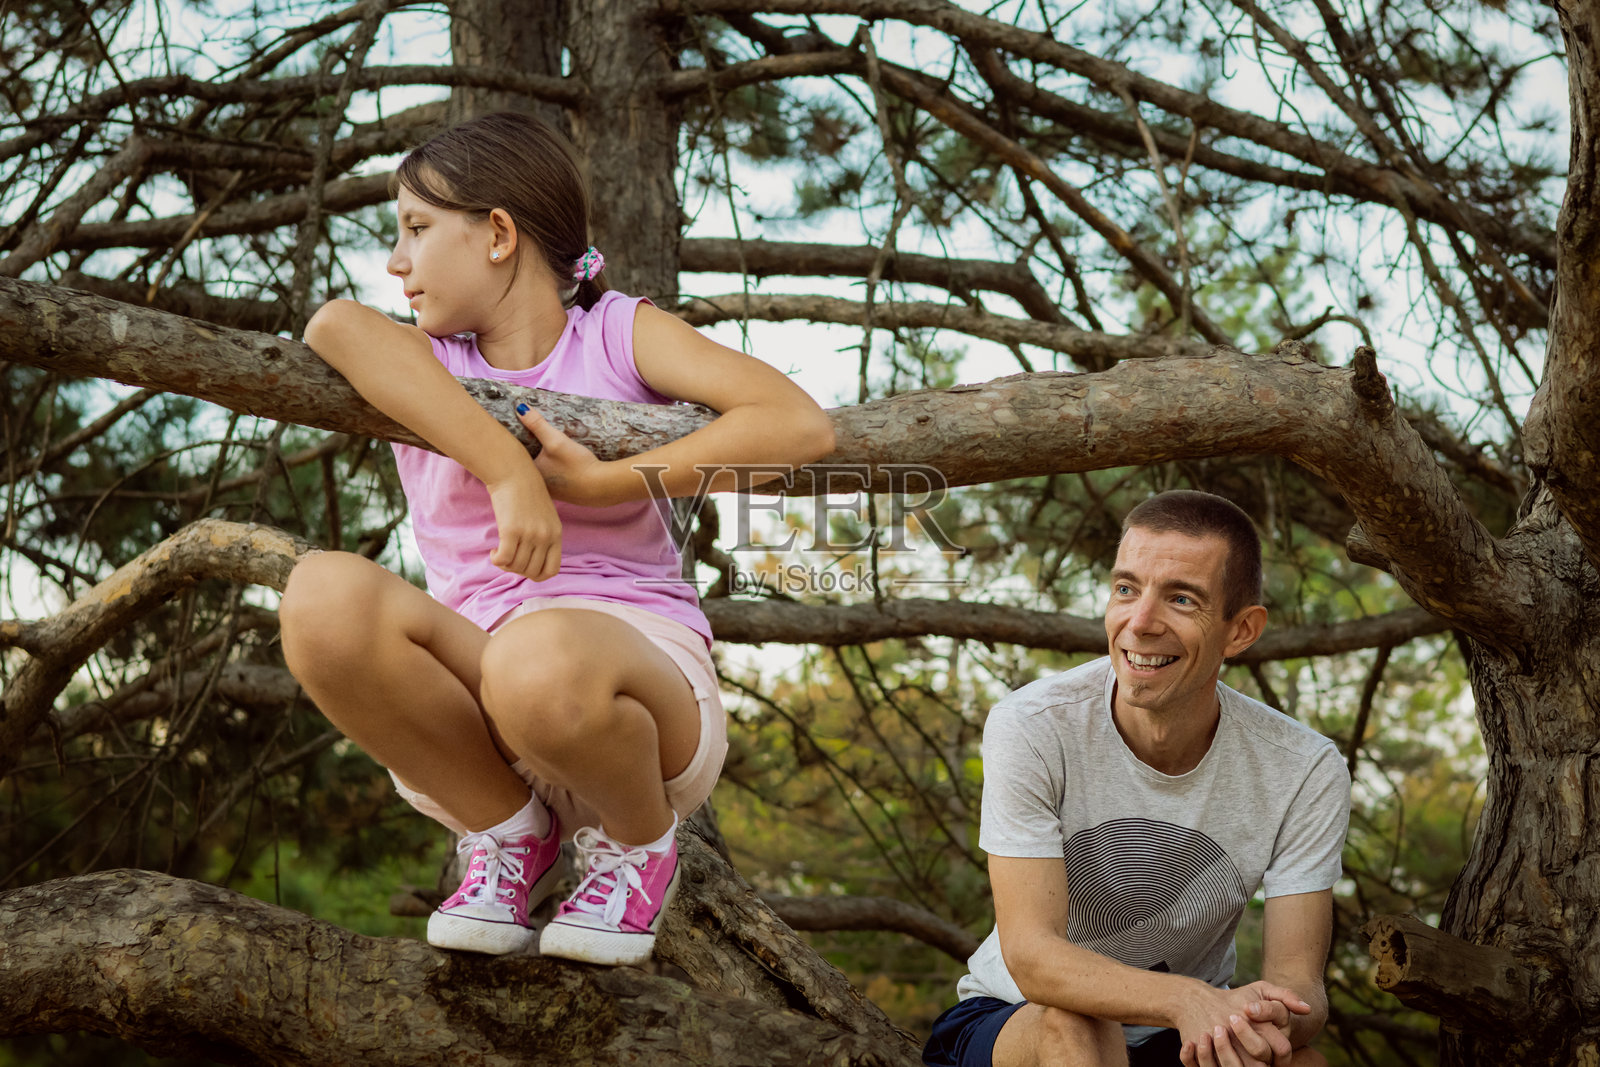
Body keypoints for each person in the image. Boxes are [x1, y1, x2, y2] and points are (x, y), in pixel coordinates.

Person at [278, 112, 835, 967]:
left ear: (498, 233)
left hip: (631, 705)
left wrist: (605, 481)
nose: (397, 261)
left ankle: (639, 848)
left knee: (537, 661)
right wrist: (509, 469)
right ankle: (507, 832)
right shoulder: (424, 363)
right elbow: (334, 327)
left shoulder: (616, 333)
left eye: (417, 229)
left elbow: (798, 426)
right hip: (479, 709)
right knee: (320, 595)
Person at [925, 490, 1350, 1067]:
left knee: (1301, 1064)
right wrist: (1188, 999)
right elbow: (1033, 957)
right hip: (1015, 1018)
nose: (1140, 622)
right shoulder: (1033, 725)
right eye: (1126, 589)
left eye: (1181, 599)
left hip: (1175, 1037)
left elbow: (1300, 984)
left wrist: (1265, 1016)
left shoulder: (1303, 768)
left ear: (1241, 630)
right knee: (1078, 1029)